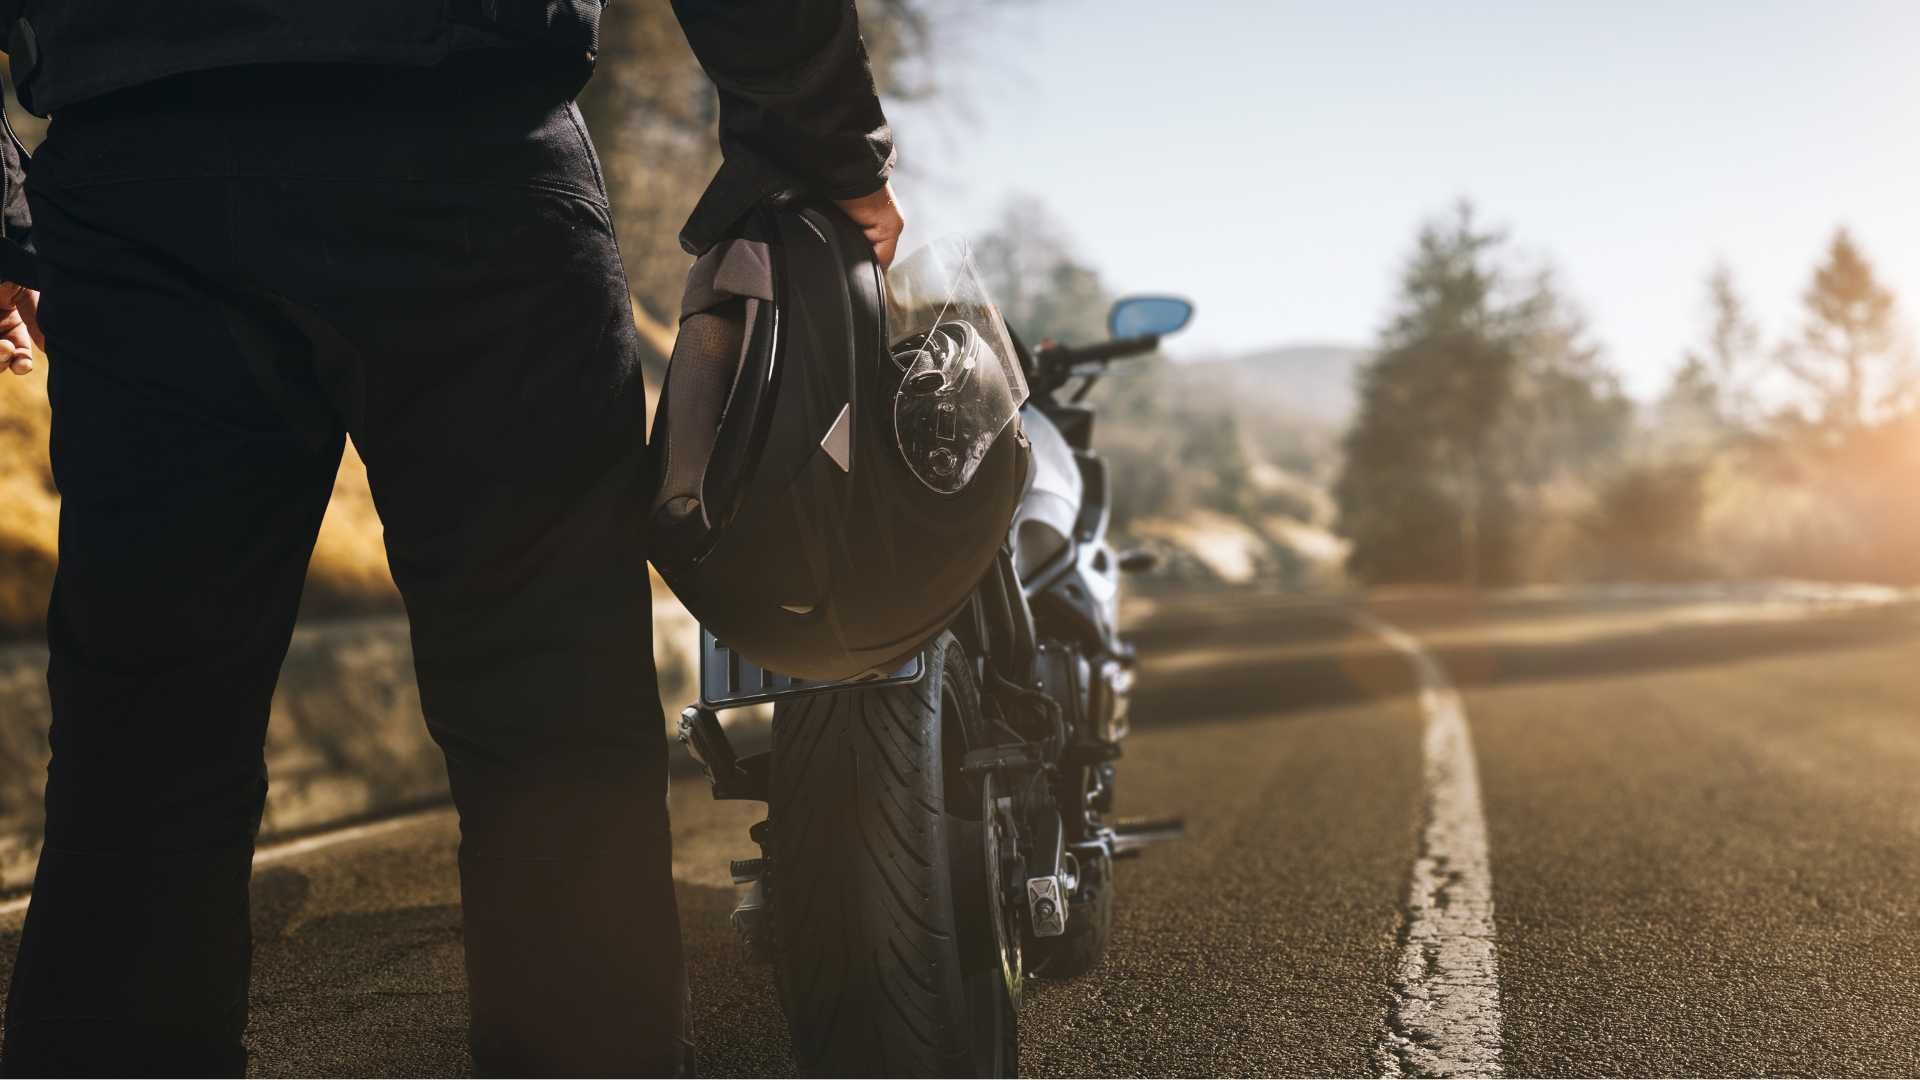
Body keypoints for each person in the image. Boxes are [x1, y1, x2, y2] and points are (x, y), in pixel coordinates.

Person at [0, 0, 904, 1074]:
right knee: (551, 729)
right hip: (468, 148)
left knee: (144, 736)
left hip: (141, 171)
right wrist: (821, 141)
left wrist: (11, 216)